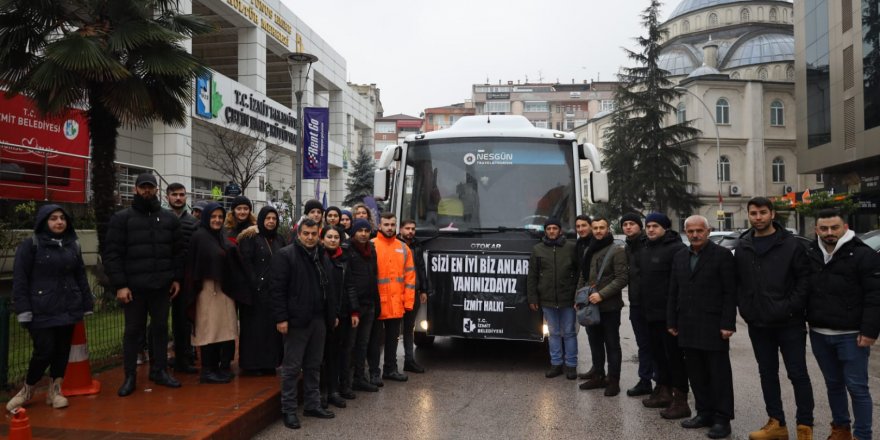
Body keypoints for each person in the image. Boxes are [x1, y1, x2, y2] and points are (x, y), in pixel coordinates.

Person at [734, 197, 814, 440]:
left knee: (797, 374)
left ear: (772, 214)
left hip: (789, 322)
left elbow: (804, 282)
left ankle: (805, 427)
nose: (758, 217)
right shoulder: (744, 244)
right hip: (758, 323)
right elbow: (739, 282)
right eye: (753, 213)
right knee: (767, 373)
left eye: (762, 212)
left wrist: (789, 307)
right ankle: (776, 423)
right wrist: (746, 308)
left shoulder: (791, 245)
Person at [7, 205, 94, 412]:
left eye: (62, 218)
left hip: (68, 307)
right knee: (44, 350)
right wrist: (23, 310)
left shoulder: (73, 245)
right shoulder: (30, 246)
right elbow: (20, 280)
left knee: (62, 351)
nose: (59, 222)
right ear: (43, 221)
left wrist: (86, 303)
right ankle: (28, 389)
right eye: (53, 218)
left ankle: (55, 390)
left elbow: (80, 275)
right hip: (41, 309)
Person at [104, 173, 183, 396]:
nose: (147, 191)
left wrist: (175, 278)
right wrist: (120, 285)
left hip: (161, 287)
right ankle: (129, 376)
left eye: (150, 187)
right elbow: (112, 255)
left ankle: (159, 370)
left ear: (157, 190)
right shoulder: (122, 219)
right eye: (143, 187)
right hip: (134, 288)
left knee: (160, 329)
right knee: (132, 332)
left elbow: (178, 253)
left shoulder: (169, 220)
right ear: (136, 190)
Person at [805, 209, 879, 440]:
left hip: (852, 335)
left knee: (857, 388)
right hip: (819, 333)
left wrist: (869, 331)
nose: (829, 233)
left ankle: (863, 435)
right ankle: (841, 429)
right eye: (824, 228)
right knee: (833, 385)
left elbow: (875, 296)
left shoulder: (863, 254)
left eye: (834, 228)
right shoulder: (809, 253)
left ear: (844, 227)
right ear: (816, 229)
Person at [668, 215, 737, 439]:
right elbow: (673, 291)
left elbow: (730, 292)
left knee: (719, 375)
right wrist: (671, 320)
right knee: (696, 373)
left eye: (699, 230)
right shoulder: (680, 256)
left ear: (708, 231)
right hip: (687, 324)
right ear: (685, 233)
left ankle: (722, 419)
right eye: (691, 231)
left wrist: (728, 323)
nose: (695, 235)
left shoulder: (722, 256)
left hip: (713, 325)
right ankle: (704, 413)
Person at [271, 218, 338, 430]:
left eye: (313, 234)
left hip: (319, 320)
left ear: (318, 234)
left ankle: (312, 404)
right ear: (299, 234)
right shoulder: (286, 255)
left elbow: (329, 287)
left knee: (313, 365)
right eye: (306, 233)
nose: (310, 237)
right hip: (296, 322)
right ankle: (288, 410)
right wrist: (281, 318)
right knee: (291, 369)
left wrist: (332, 314)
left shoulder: (321, 254)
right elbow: (277, 290)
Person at [639, 212, 690, 419]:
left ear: (665, 228)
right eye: (648, 226)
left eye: (655, 226)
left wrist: (675, 315)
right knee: (658, 356)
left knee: (675, 359)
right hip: (650, 314)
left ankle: (681, 400)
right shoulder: (646, 248)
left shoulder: (677, 249)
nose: (650, 229)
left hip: (670, 316)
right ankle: (664, 392)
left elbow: (680, 284)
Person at [186, 203, 239, 384]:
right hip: (208, 290)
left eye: (220, 217)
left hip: (221, 289)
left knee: (219, 331)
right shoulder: (200, 237)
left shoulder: (218, 236)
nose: (217, 220)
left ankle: (216, 368)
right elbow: (201, 263)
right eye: (213, 217)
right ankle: (207, 370)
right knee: (208, 330)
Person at [577, 217, 627, 396]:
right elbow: (583, 276)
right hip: (590, 306)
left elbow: (621, 279)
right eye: (596, 228)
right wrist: (579, 298)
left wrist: (602, 294)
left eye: (602, 228)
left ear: (608, 229)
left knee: (612, 344)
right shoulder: (590, 249)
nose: (598, 231)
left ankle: (613, 381)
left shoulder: (616, 250)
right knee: (594, 342)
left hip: (610, 307)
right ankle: (598, 375)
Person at [527, 217, 579, 380]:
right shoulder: (538, 249)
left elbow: (579, 273)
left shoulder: (571, 247)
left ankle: (571, 366)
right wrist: (533, 297)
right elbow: (532, 276)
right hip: (547, 299)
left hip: (568, 299)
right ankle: (556, 364)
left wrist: (577, 295)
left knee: (569, 333)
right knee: (554, 333)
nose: (551, 231)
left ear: (560, 231)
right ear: (545, 231)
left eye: (554, 228)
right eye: (548, 229)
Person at [369, 212, 416, 384]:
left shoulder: (403, 248)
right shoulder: (371, 245)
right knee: (374, 341)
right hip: (377, 303)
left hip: (396, 303)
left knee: (392, 340)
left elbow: (410, 277)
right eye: (386, 224)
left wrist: (408, 302)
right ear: (380, 226)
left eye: (392, 225)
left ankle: (390, 369)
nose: (389, 228)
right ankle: (374, 372)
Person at [237, 206, 284, 376]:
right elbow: (246, 263)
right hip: (255, 293)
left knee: (271, 331)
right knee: (254, 329)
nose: (271, 222)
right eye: (267, 219)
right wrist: (255, 283)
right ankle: (252, 365)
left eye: (274, 219)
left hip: (274, 292)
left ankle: (269, 363)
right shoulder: (251, 238)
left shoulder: (279, 239)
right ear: (261, 220)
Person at [620, 212, 655, 397]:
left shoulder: (647, 243)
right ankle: (645, 380)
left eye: (631, 223)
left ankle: (662, 383)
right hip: (636, 304)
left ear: (639, 226)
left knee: (656, 344)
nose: (628, 227)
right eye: (625, 224)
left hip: (652, 304)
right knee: (643, 344)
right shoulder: (628, 247)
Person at [166, 182, 199, 374]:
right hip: (163, 278)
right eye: (174, 194)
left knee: (183, 320)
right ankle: (158, 360)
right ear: (167, 197)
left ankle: (184, 359)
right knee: (159, 322)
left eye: (181, 194)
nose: (178, 198)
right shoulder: (158, 219)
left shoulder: (193, 223)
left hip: (185, 279)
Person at [319, 225, 353, 409]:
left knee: (335, 355)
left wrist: (351, 311)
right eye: (329, 237)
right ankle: (321, 393)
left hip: (341, 315)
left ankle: (333, 391)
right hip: (322, 315)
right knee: (321, 357)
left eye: (336, 237)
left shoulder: (344, 259)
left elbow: (349, 287)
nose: (333, 240)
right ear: (322, 239)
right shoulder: (317, 257)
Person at [345, 219, 380, 393]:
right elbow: (348, 282)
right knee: (349, 345)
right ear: (354, 232)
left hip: (369, 304)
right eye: (360, 230)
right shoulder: (347, 249)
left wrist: (376, 302)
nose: (364, 234)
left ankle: (359, 377)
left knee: (363, 344)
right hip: (355, 307)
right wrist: (353, 308)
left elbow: (374, 277)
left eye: (367, 231)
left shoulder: (371, 249)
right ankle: (345, 382)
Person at [398, 219, 427, 373]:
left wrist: (423, 289)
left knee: (409, 328)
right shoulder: (394, 244)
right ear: (401, 229)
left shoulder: (417, 246)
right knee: (393, 330)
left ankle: (409, 360)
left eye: (413, 229)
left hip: (413, 293)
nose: (410, 231)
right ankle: (390, 364)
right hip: (395, 294)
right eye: (407, 228)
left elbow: (421, 269)